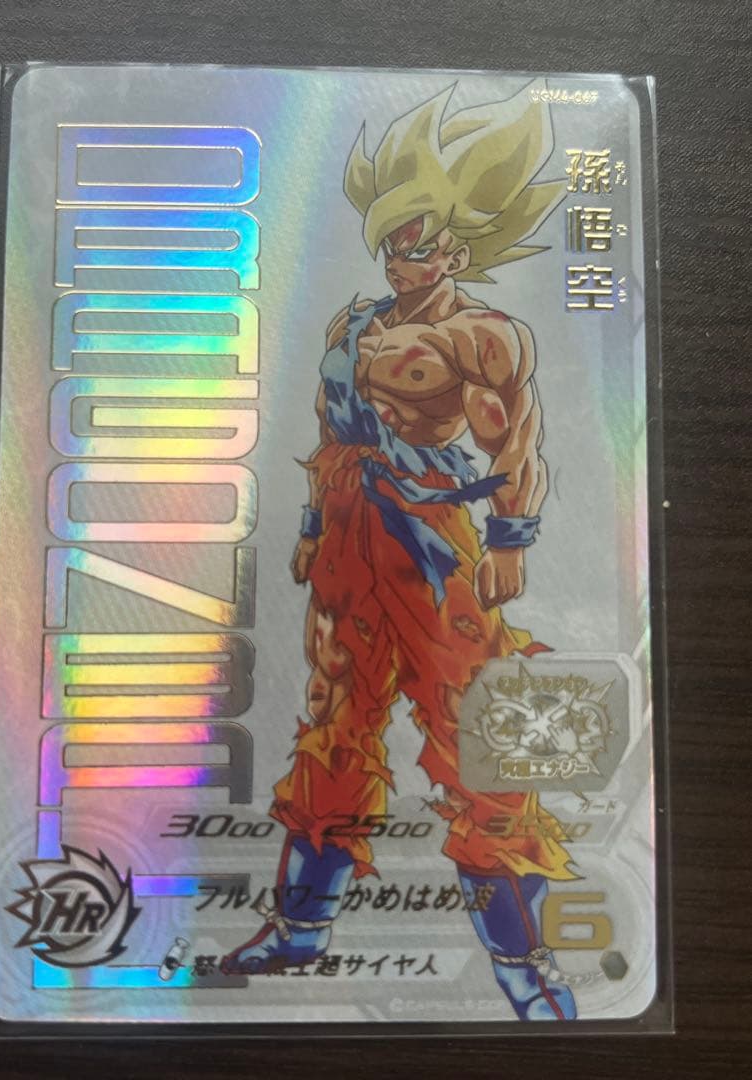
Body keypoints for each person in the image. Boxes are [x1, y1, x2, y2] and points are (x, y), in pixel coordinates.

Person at [223, 81, 577, 1021]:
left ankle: (524, 965)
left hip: (435, 545)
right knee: (335, 724)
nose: (401, 257)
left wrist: (510, 539)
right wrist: (311, 528)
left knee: (472, 734)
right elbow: (329, 436)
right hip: (350, 541)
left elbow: (517, 446)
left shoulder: (482, 336)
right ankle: (300, 931)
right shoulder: (352, 325)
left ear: (454, 250)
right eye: (391, 242)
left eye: (418, 243)